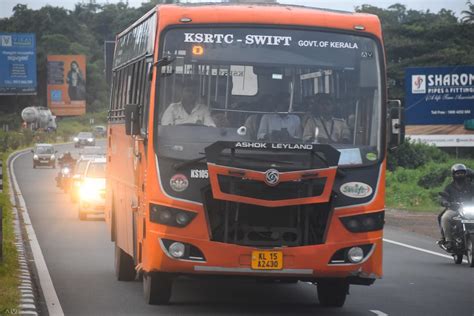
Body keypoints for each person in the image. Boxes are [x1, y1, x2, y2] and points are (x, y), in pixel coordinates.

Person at [438, 164, 474, 250]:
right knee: (445, 218)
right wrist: (445, 202)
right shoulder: (449, 187)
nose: (460, 175)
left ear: (465, 174)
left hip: (469, 209)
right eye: (458, 173)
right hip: (454, 209)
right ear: (453, 174)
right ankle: (448, 241)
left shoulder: (471, 186)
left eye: (462, 173)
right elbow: (443, 197)